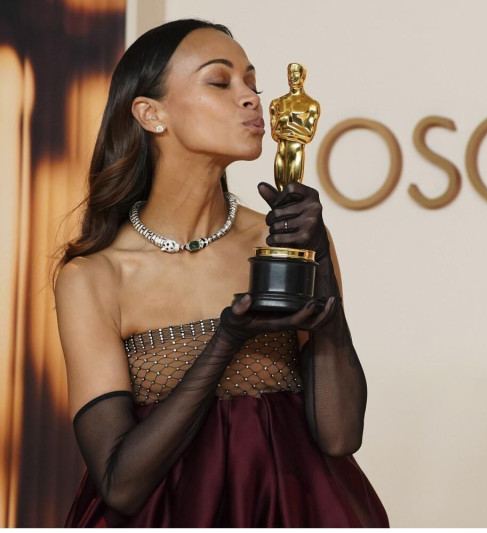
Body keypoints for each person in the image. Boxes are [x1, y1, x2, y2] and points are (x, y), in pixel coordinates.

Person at [54, 18, 389, 527]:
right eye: (220, 81)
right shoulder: (95, 276)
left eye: (252, 82)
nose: (251, 98)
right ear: (151, 114)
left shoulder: (283, 242)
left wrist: (319, 265)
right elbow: (121, 484)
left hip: (292, 508)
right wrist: (226, 340)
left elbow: (341, 436)